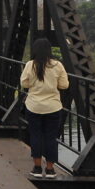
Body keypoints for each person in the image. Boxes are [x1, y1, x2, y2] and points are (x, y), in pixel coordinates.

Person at [20, 38, 69, 179]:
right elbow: (64, 85)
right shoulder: (58, 65)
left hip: (34, 106)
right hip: (53, 107)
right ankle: (50, 169)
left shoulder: (30, 65)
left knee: (35, 135)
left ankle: (36, 168)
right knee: (51, 137)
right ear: (49, 50)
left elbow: (24, 83)